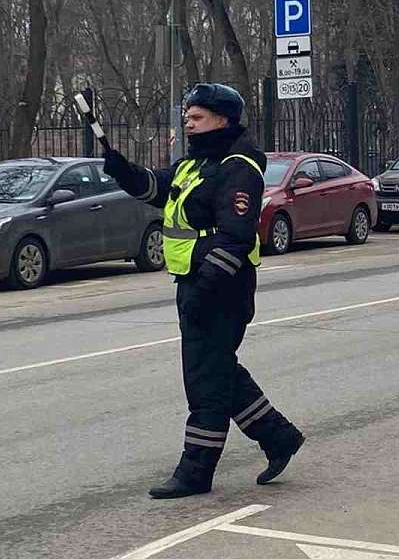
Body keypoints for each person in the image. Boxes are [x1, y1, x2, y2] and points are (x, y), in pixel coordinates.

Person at [103, 82, 305, 499]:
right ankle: (278, 437)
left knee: (205, 383)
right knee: (218, 370)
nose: (189, 124)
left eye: (197, 118)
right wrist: (122, 170)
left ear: (222, 120)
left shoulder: (238, 166)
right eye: (188, 117)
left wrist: (206, 289)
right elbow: (158, 188)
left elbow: (236, 237)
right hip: (195, 282)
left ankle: (196, 472)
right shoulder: (194, 163)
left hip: (222, 286)